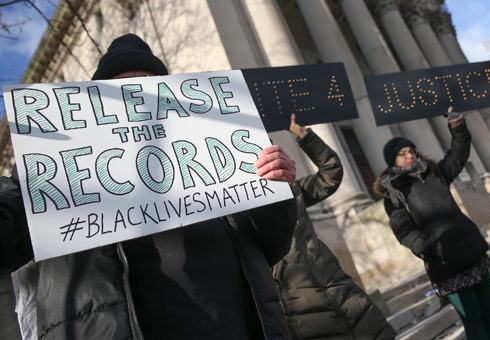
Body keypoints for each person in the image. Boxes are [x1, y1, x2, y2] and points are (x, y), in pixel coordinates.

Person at [0, 34, 299, 340]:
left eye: (149, 84)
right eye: (121, 89)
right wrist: (31, 182)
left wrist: (275, 192)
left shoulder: (217, 152)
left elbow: (272, 246)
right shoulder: (51, 168)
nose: (139, 96)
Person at [374, 109, 490, 340]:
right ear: (392, 160)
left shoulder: (434, 172)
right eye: (402, 153)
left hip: (471, 250)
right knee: (473, 320)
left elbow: (459, 153)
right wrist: (432, 248)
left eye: (411, 151)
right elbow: (403, 230)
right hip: (447, 263)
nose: (409, 156)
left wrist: (457, 126)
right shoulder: (394, 192)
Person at [273, 114, 396, 339]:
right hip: (303, 315)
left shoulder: (293, 192)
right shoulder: (238, 219)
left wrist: (306, 138)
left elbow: (330, 174)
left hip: (343, 295)